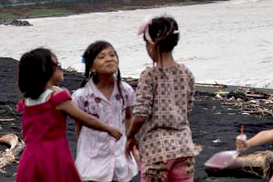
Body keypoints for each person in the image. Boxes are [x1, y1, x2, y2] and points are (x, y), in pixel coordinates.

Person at [16, 48, 122, 182]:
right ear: (46, 71)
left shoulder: (26, 102)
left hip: (30, 158)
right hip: (54, 156)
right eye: (57, 65)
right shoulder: (57, 99)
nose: (61, 69)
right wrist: (108, 128)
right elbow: (86, 119)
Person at [125, 16, 198, 182]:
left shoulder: (150, 75)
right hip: (185, 148)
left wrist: (130, 136)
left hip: (156, 150)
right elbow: (187, 109)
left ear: (152, 44)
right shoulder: (186, 73)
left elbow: (141, 114)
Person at [72, 41, 138, 182]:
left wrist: (131, 141)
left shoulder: (125, 90)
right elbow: (79, 127)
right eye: (101, 57)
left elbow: (127, 117)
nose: (109, 59)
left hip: (119, 158)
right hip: (93, 160)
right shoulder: (81, 96)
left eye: (112, 55)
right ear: (91, 66)